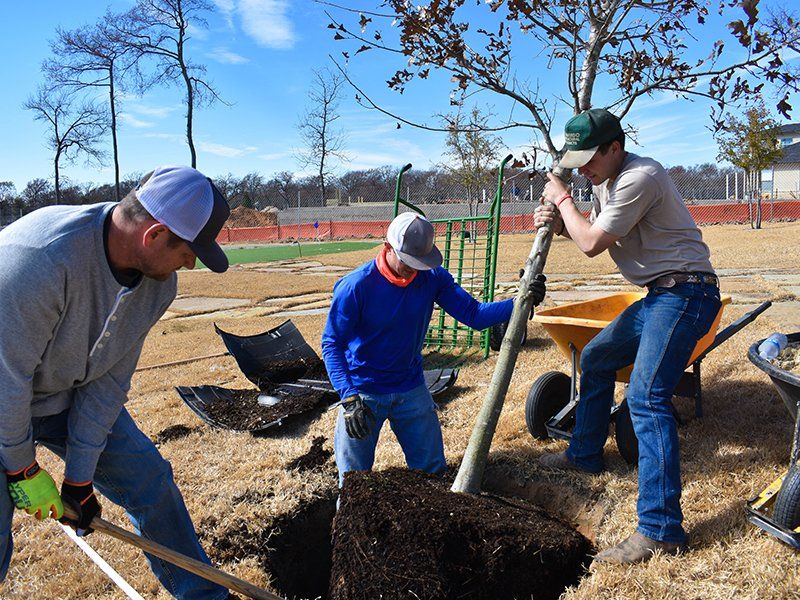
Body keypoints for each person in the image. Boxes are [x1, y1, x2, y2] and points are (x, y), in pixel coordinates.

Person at [0, 166, 231, 599]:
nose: (191, 261)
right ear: (155, 235)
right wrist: (21, 466)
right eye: (188, 249)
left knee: (150, 485)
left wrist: (80, 480)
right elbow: (5, 378)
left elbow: (107, 381)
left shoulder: (158, 286)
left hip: (57, 395)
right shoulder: (40, 258)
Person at [533, 108, 721, 564]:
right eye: (575, 161)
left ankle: (660, 530)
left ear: (615, 147)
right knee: (596, 358)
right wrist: (558, 221)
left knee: (647, 397)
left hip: (687, 293)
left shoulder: (641, 175)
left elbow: (592, 244)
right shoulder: (604, 181)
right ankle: (584, 454)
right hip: (660, 295)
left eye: (588, 159)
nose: (581, 169)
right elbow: (587, 231)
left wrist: (562, 202)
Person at [322, 212, 546, 486]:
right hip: (364, 391)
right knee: (354, 481)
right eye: (407, 262)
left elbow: (473, 315)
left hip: (410, 388)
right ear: (387, 246)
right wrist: (349, 398)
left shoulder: (431, 278)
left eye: (419, 263)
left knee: (432, 473)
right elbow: (332, 344)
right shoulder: (356, 287)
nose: (413, 270)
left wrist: (521, 301)